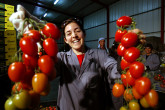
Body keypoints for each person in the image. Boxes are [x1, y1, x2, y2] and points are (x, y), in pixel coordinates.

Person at [55, 18, 121, 110]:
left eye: (77, 31)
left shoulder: (99, 54)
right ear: (66, 40)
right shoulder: (61, 58)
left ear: (84, 34)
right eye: (69, 34)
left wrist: (129, 49)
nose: (74, 35)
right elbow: (47, 70)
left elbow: (114, 68)